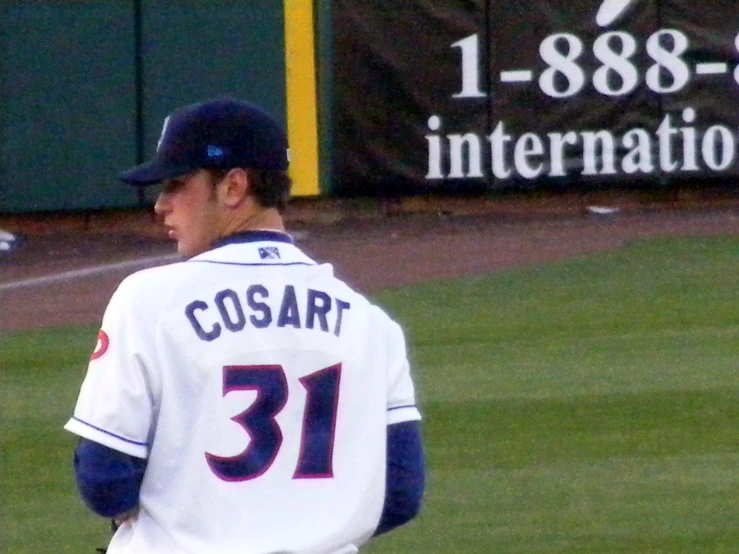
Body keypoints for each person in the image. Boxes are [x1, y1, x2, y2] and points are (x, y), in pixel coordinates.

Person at [64, 97, 425, 554]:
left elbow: (104, 481)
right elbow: (401, 493)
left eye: (176, 183)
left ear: (234, 186)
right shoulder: (372, 324)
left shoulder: (149, 301)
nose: (161, 205)